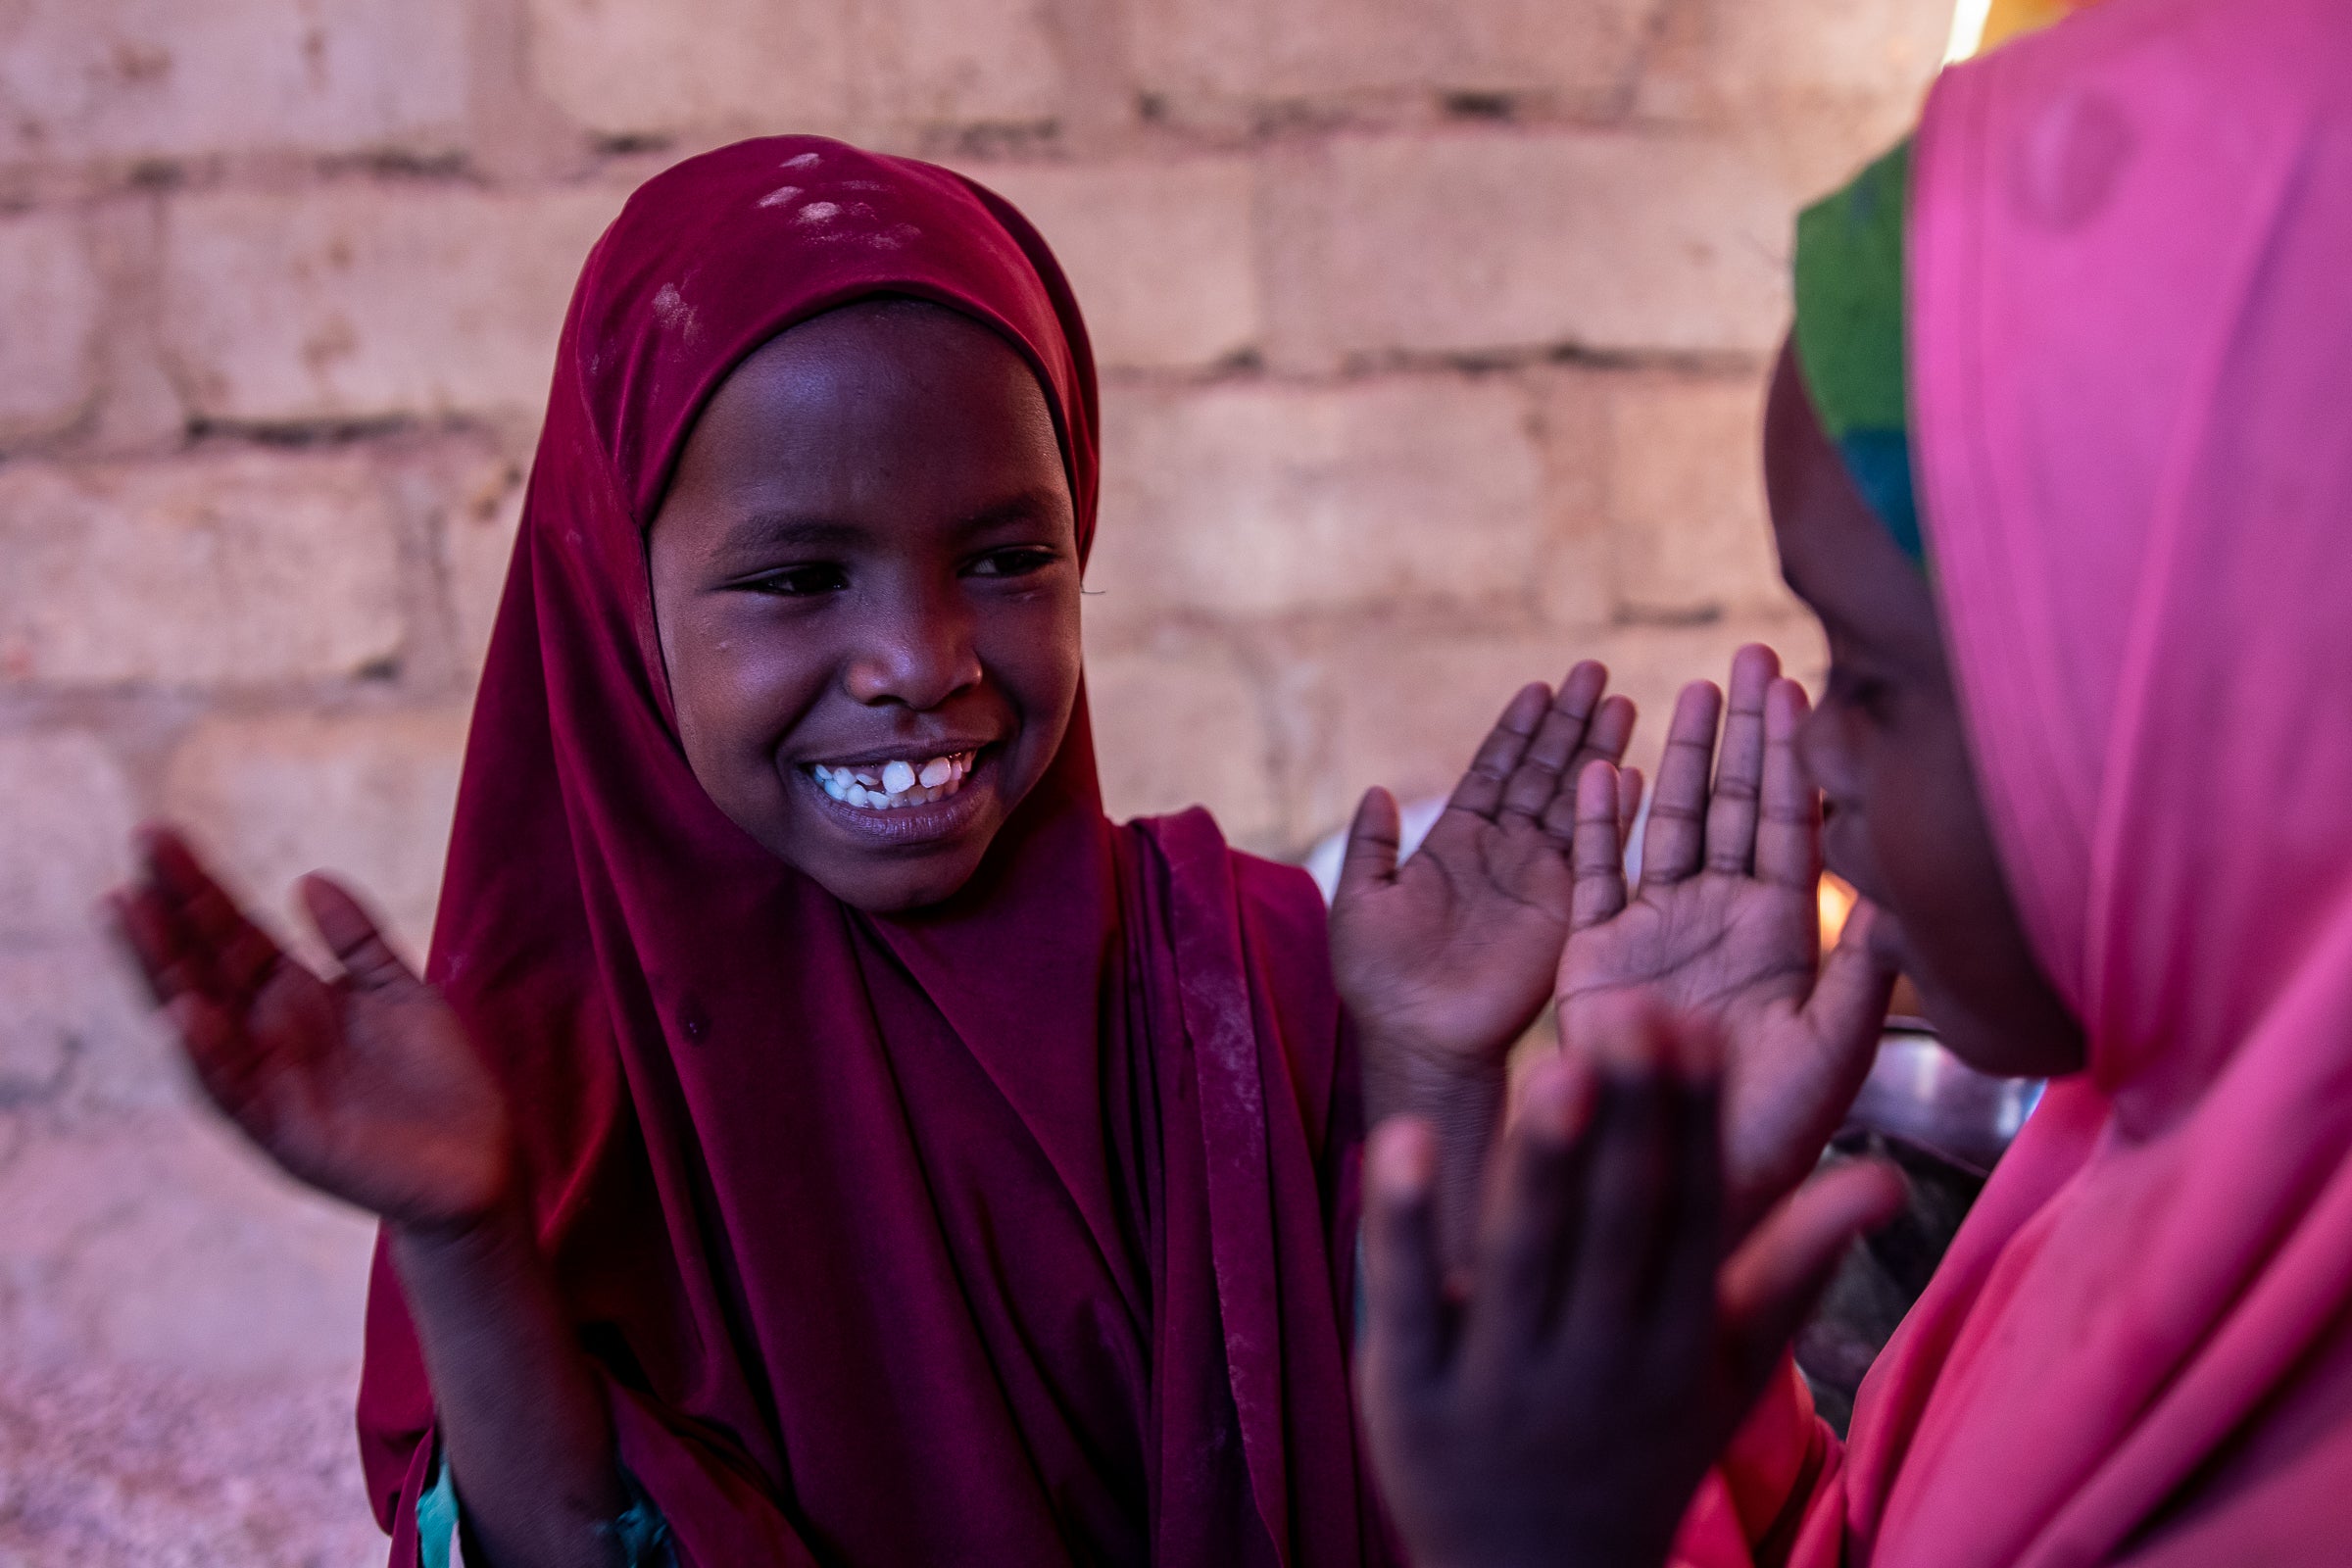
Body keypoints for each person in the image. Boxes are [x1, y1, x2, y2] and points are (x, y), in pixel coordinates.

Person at [108, 136, 1642, 1567]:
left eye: (1006, 559)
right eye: (794, 578)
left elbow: (1437, 1493)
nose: (921, 655)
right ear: (619, 609)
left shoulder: (1244, 980)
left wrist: (1437, 1074)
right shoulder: (553, 1080)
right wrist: (466, 1236)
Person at [1354, 0, 2352, 1562]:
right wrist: (1678, 1260)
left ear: (2225, 711)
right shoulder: (2128, 1172)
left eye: (1873, 683)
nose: (1813, 762)